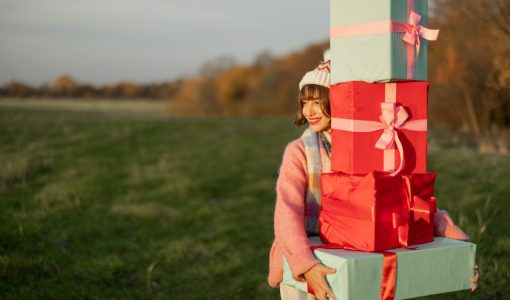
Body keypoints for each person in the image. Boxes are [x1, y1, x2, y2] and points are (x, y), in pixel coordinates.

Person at [267, 50, 471, 300]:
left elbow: (410, 204)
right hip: (308, 256)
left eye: (317, 101)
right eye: (304, 102)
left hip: (356, 257)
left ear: (338, 101)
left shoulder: (366, 150)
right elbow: (287, 213)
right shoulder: (299, 152)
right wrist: (305, 264)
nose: (309, 110)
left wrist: (461, 249)